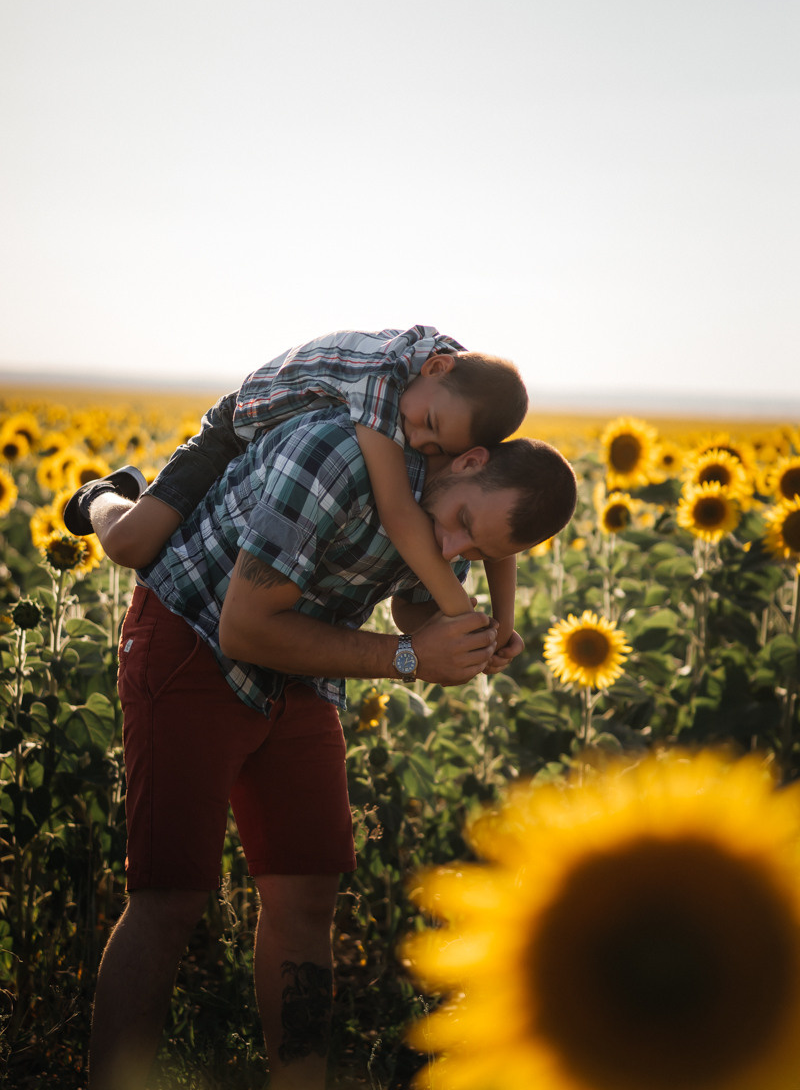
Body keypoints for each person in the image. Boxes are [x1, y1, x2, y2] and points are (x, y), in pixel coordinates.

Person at [84, 404, 577, 1090]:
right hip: (192, 639)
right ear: (468, 461)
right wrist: (410, 659)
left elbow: (411, 601)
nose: (454, 549)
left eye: (476, 552)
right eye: (463, 525)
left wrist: (471, 632)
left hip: (306, 666)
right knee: (170, 898)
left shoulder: (442, 503)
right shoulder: (335, 454)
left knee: (307, 897)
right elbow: (245, 630)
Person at [63, 326, 528, 653]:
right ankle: (101, 495)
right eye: (428, 426)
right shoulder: (382, 381)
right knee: (130, 543)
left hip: (272, 451)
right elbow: (397, 511)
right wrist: (457, 607)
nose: (421, 442)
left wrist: (502, 626)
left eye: (438, 447)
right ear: (436, 367)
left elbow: (498, 515)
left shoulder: (455, 389)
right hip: (236, 430)